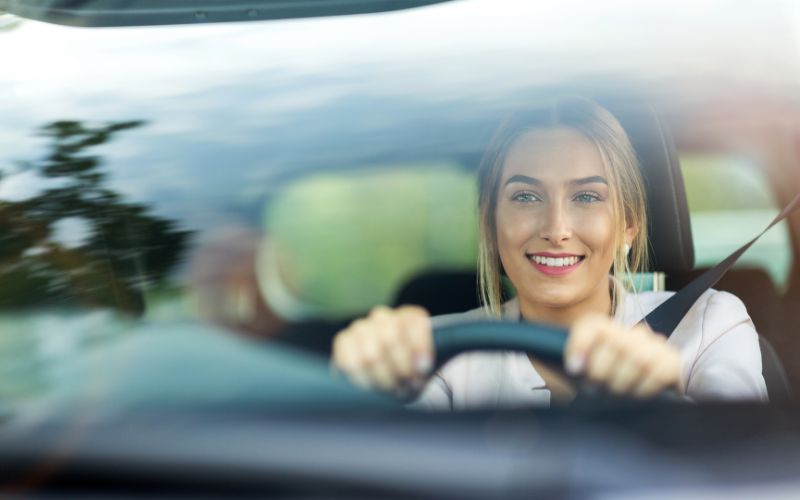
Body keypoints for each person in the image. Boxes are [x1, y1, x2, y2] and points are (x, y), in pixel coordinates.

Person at [331, 97, 768, 409]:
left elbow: (747, 468)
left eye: (587, 197)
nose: (556, 230)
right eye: (525, 197)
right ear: (489, 222)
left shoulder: (709, 325)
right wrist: (362, 393)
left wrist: (661, 407)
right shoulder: (437, 354)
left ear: (629, 224)